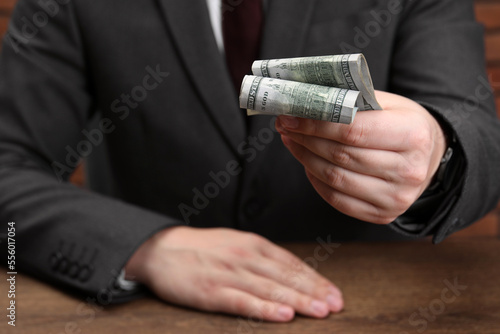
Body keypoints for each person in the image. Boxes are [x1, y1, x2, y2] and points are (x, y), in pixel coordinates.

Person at [0, 0, 499, 323]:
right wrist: (148, 248)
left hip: (365, 307)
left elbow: (479, 136)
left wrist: (440, 150)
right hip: (154, 313)